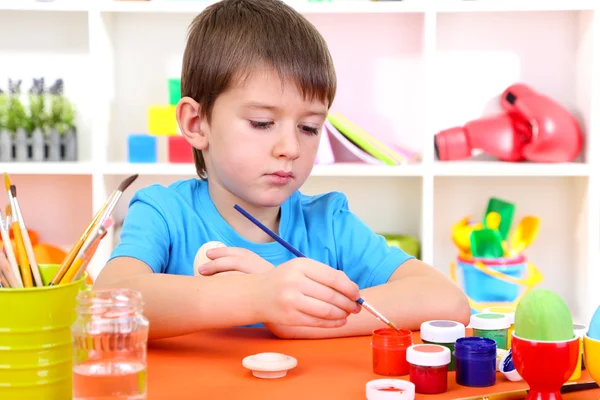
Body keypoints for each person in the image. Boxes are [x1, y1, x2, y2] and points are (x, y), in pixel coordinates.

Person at [94, 0, 471, 340]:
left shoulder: (328, 222)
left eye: (309, 128)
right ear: (196, 123)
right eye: (261, 122)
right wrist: (258, 297)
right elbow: (110, 302)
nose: (290, 148)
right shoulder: (164, 212)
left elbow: (446, 300)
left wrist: (303, 320)